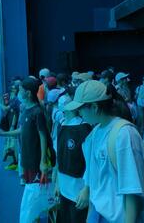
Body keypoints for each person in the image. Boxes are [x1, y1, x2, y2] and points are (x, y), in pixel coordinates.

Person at [65, 80, 144, 223]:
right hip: (98, 212)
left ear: (95, 107)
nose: (78, 112)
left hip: (118, 217)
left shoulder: (124, 134)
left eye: (81, 108)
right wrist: (87, 189)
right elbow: (96, 175)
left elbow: (131, 188)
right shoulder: (95, 133)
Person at [0, 77, 56, 222]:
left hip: (36, 162)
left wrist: (43, 161)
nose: (18, 93)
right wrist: (3, 133)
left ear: (28, 93)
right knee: (36, 197)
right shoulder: (26, 111)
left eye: (21, 90)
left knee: (41, 196)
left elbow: (43, 137)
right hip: (28, 161)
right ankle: (38, 218)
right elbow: (21, 130)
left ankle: (47, 217)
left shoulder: (37, 112)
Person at [55, 93, 92, 223]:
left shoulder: (84, 128)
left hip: (78, 186)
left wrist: (87, 189)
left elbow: (90, 163)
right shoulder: (62, 125)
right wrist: (57, 182)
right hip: (63, 183)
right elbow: (58, 157)